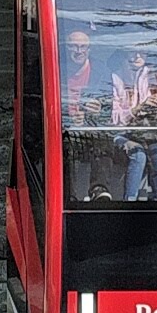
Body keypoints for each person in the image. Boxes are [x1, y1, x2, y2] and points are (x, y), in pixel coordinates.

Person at [111, 46, 157, 201]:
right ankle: (129, 200)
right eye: (132, 52)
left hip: (150, 132)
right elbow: (114, 119)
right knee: (138, 154)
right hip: (124, 134)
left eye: (142, 52)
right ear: (125, 53)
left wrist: (156, 112)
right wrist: (137, 109)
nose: (137, 56)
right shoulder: (116, 77)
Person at [62, 30, 112, 203]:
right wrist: (65, 118)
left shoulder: (102, 70)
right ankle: (70, 195)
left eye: (83, 46)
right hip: (64, 126)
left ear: (89, 50)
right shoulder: (55, 68)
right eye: (73, 46)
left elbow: (111, 104)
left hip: (92, 126)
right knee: (68, 143)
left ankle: (99, 189)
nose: (78, 51)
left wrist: (100, 109)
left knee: (104, 139)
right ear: (65, 48)